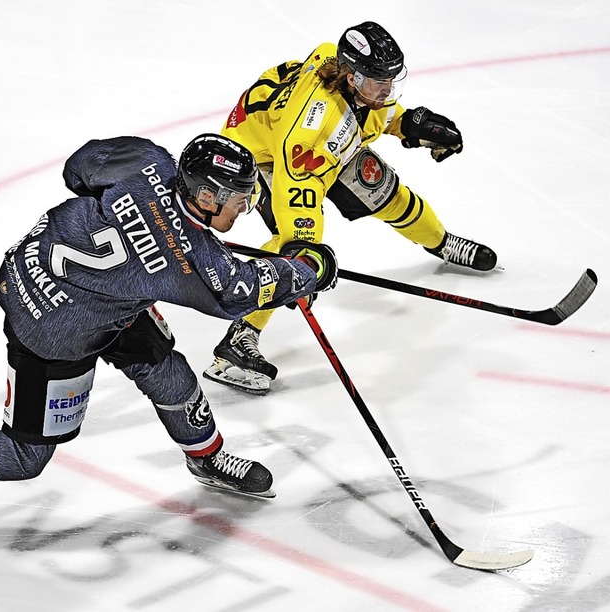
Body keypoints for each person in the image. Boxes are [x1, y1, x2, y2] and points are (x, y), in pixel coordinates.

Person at [0, 133, 338, 498]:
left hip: (44, 266)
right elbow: (241, 291)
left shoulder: (147, 159)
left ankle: (207, 458)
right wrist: (312, 267)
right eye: (238, 200)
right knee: (23, 457)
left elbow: (79, 167)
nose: (243, 207)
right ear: (205, 197)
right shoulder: (190, 261)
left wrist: (132, 214)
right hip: (54, 327)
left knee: (165, 369)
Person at [203, 21, 497, 394]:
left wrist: (411, 125)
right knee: (289, 249)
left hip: (298, 137)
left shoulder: (345, 71)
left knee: (387, 193)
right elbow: (300, 197)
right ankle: (238, 341)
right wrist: (303, 258)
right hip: (263, 156)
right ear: (353, 77)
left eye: (392, 78)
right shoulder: (313, 133)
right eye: (380, 80)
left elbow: (379, 112)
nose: (388, 88)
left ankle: (442, 243)